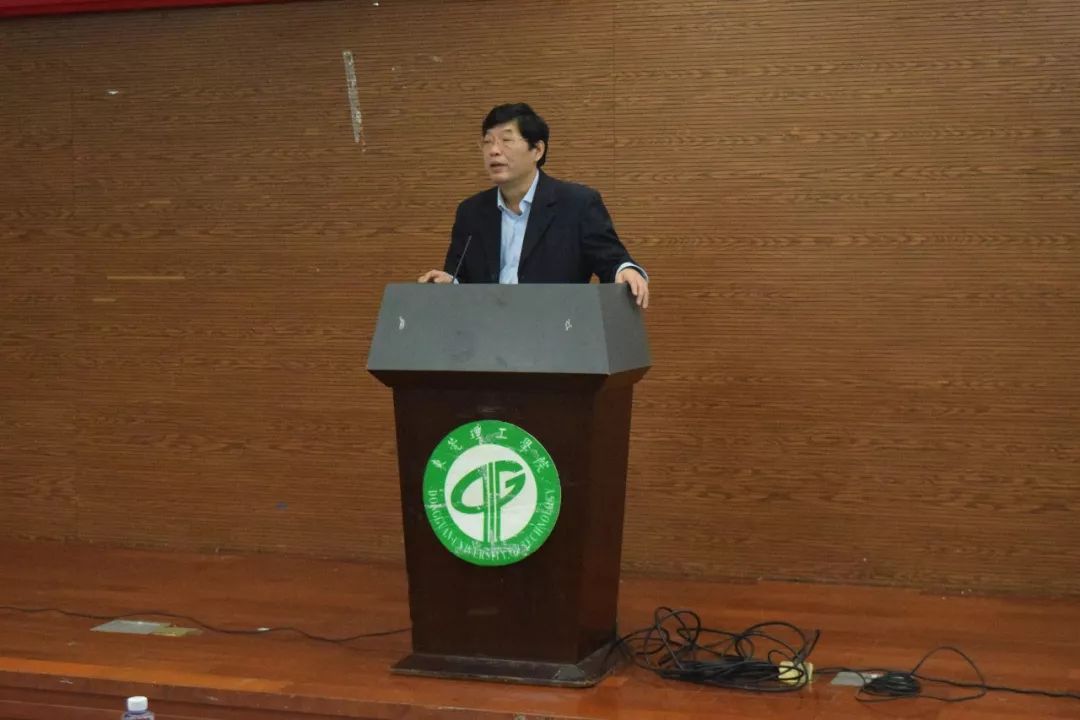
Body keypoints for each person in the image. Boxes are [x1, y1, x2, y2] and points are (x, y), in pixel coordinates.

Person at [418, 103, 649, 308]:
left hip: (555, 330)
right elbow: (459, 276)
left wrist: (625, 270)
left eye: (506, 140)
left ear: (537, 150)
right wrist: (449, 282)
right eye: (487, 142)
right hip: (486, 332)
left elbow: (612, 260)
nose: (494, 150)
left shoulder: (577, 204)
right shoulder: (471, 212)